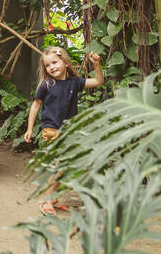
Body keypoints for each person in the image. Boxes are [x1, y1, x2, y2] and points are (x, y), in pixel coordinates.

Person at [22, 46, 103, 215]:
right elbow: (36, 105)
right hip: (51, 130)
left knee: (65, 167)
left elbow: (97, 82)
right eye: (48, 65)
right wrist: (30, 128)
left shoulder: (74, 82)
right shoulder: (46, 85)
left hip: (69, 132)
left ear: (65, 62)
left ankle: (54, 198)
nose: (51, 67)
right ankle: (46, 201)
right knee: (57, 166)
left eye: (54, 62)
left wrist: (96, 65)